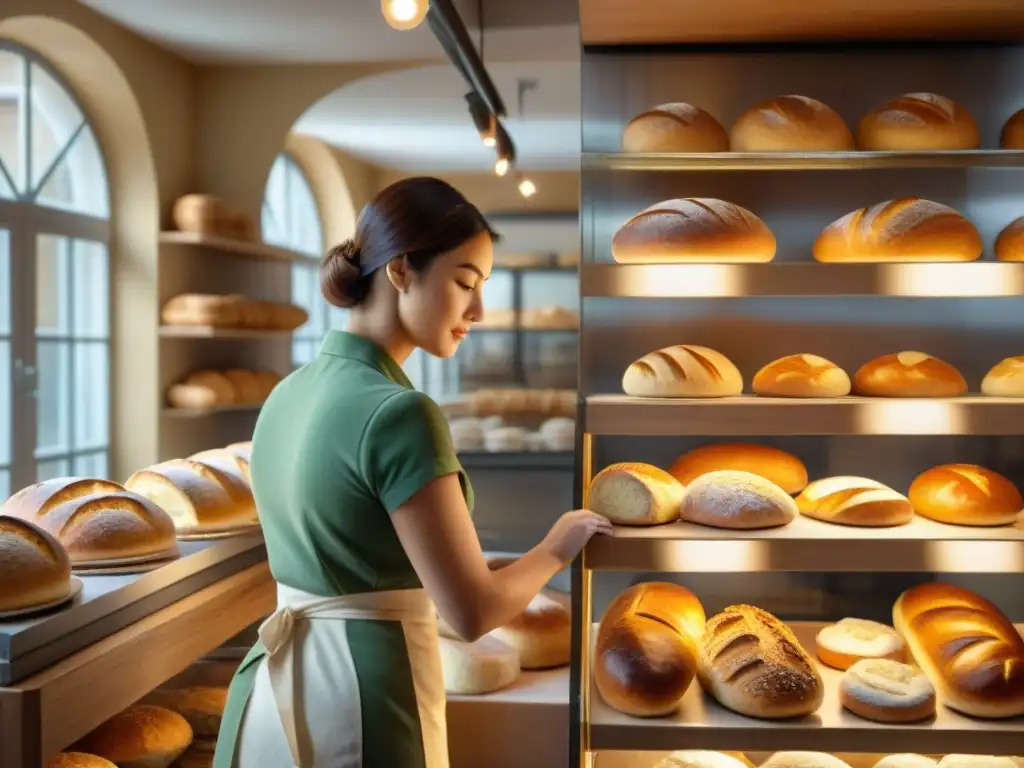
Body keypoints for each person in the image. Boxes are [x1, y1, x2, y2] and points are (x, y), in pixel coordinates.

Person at [213, 176, 612, 768]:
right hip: (360, 699)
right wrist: (559, 544)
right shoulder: (401, 412)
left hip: (270, 690)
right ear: (400, 270)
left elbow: (347, 557)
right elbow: (472, 613)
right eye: (464, 283)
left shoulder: (287, 392)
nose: (477, 311)